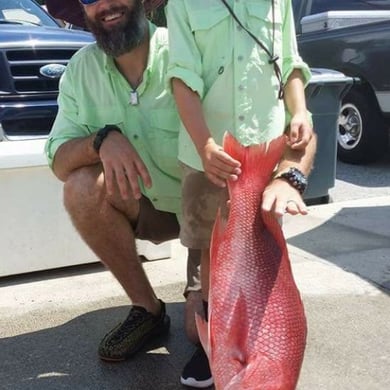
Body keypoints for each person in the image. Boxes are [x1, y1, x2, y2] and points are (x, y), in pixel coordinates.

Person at [166, 0, 317, 387]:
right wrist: (204, 145)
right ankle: (216, 344)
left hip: (263, 146)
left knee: (262, 253)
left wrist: (298, 111)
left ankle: (259, 343)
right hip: (208, 155)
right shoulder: (182, 4)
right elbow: (181, 77)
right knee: (210, 249)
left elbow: (291, 64)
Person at [45, 0, 202, 364]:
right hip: (144, 203)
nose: (105, 4)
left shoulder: (187, 51)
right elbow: (58, 159)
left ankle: (206, 295)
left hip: (205, 209)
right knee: (80, 186)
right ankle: (147, 309)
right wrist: (101, 139)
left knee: (200, 331)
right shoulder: (81, 69)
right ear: (80, 10)